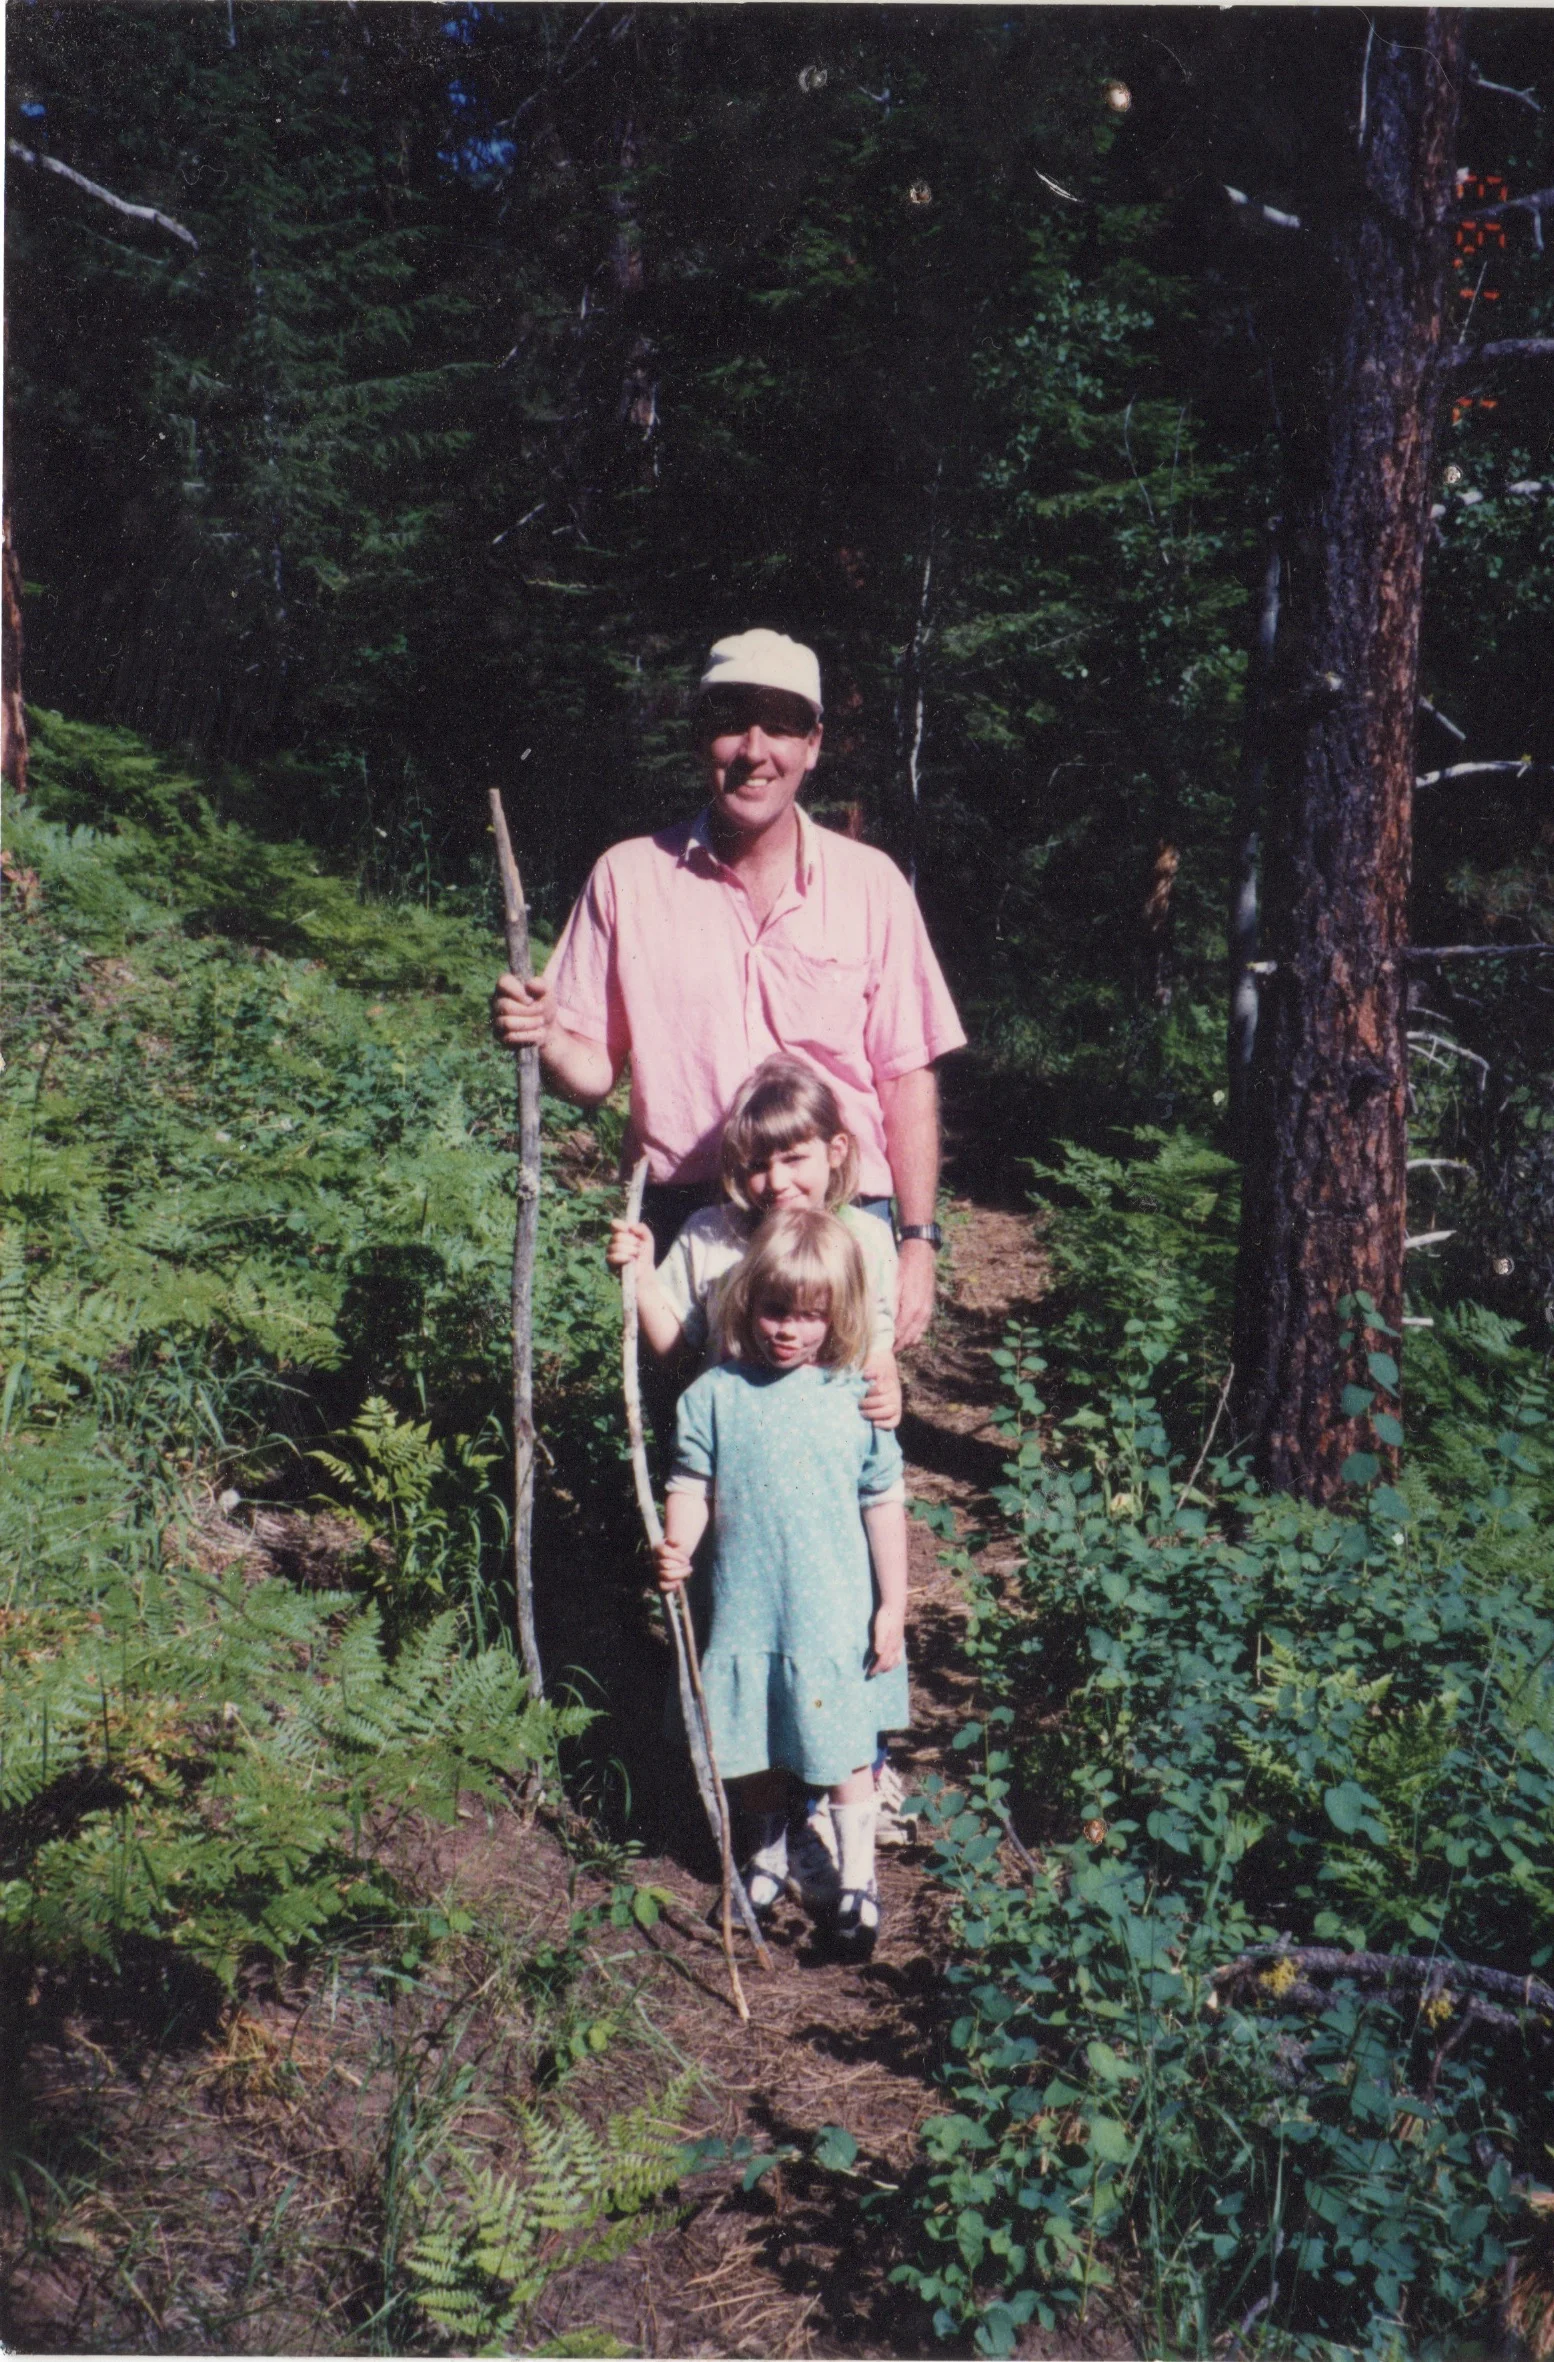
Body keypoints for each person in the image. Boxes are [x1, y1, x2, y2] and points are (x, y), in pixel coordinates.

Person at [491, 627, 966, 1348]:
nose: (754, 750)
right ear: (698, 737)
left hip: (841, 1219)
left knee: (841, 1442)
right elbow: (591, 1076)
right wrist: (546, 1031)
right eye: (731, 723)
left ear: (813, 743)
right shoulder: (628, 877)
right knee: (692, 1442)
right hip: (689, 1217)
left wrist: (918, 1241)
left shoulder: (872, 888)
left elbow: (907, 1076)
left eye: (779, 725)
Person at [654, 1208, 909, 1961]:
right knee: (757, 1743)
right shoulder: (713, 1396)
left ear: (839, 1317)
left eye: (810, 1316)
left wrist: (893, 1603)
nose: (788, 1331)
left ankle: (857, 1882)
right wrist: (678, 1547)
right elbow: (691, 1484)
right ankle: (765, 1856)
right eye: (774, 1310)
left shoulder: (853, 1398)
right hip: (743, 1606)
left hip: (831, 1611)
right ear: (745, 1300)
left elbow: (884, 1501)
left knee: (843, 1752)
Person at [606, 1054, 903, 1427]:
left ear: (836, 1150)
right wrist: (642, 1280)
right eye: (758, 1166)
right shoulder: (710, 1234)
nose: (777, 1182)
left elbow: (876, 1348)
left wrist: (885, 1392)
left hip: (827, 1447)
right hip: (728, 1440)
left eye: (794, 1159)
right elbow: (675, 1357)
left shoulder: (866, 1238)